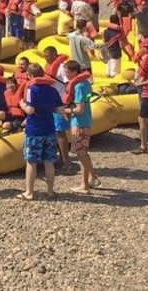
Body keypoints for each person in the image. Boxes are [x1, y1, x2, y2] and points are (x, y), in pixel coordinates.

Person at [17, 64, 65, 201]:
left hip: (34, 130)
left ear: (30, 76)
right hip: (49, 129)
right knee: (49, 161)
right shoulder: (52, 90)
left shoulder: (32, 90)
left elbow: (30, 110)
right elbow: (60, 110)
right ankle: (50, 191)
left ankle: (29, 192)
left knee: (31, 162)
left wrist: (21, 104)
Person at [63, 61, 99, 194]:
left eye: (67, 73)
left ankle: (85, 185)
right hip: (86, 121)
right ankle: (92, 177)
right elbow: (87, 100)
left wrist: (64, 111)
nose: (66, 75)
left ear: (74, 72)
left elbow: (79, 109)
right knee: (83, 153)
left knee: (81, 154)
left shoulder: (78, 86)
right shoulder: (86, 83)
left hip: (80, 124)